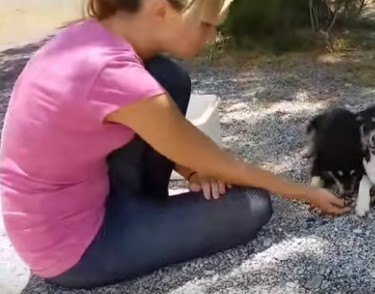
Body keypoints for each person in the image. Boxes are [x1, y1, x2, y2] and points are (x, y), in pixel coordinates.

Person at [0, 0, 350, 289]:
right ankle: (148, 219)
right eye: (206, 24)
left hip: (82, 200)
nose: (212, 37)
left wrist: (194, 168)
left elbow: (187, 148)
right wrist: (304, 193)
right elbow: (230, 167)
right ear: (162, 9)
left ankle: (151, 211)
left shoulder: (91, 39)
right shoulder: (117, 77)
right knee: (254, 205)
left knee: (168, 77)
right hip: (74, 249)